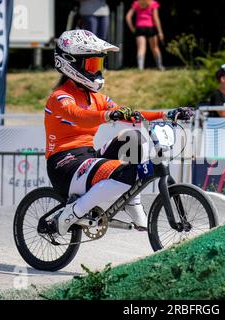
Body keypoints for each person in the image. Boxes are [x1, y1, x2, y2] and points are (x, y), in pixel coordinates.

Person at [47, 30, 193, 235]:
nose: (97, 70)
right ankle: (72, 212)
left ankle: (133, 203)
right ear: (70, 63)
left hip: (88, 157)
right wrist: (107, 116)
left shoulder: (97, 98)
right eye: (91, 64)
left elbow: (131, 115)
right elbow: (78, 115)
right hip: (65, 165)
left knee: (134, 138)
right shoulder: (60, 97)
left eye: (98, 64)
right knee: (125, 173)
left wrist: (167, 113)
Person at [125, 0, 165, 71]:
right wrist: (160, 32)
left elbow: (128, 17)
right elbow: (156, 18)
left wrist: (132, 29)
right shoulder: (153, 3)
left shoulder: (137, 3)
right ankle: (160, 66)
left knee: (141, 48)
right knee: (155, 48)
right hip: (150, 27)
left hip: (139, 28)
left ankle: (140, 68)